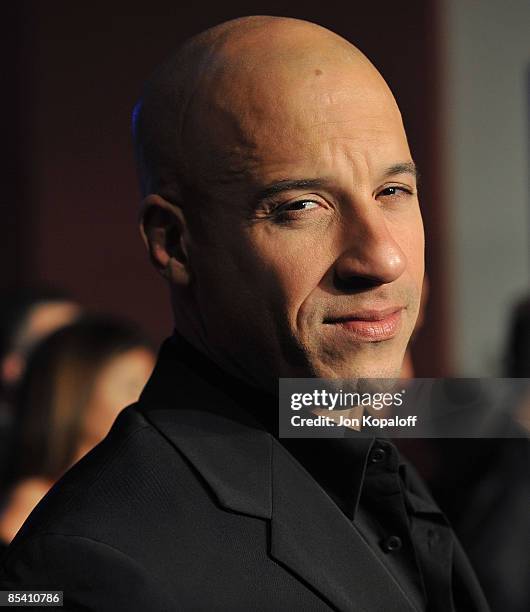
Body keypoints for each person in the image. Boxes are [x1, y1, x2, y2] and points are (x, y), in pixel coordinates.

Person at [0, 16, 490, 611]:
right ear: (176, 243)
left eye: (392, 192)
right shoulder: (91, 565)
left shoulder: (369, 465)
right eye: (301, 206)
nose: (382, 257)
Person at [0, 316, 155, 557]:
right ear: (77, 390)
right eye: (132, 386)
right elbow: (17, 596)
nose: (144, 402)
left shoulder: (115, 493)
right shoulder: (34, 502)